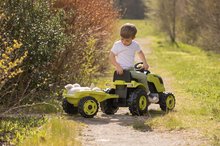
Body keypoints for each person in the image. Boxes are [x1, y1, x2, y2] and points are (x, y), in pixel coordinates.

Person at [109, 23, 159, 103]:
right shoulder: (117, 45)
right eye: (122, 39)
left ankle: (138, 92)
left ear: (133, 38)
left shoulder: (135, 45)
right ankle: (148, 94)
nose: (124, 42)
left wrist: (145, 63)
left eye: (127, 40)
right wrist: (117, 66)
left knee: (138, 73)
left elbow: (140, 53)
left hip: (131, 70)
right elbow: (111, 56)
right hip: (123, 71)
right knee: (143, 76)